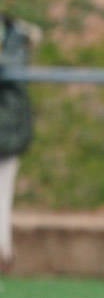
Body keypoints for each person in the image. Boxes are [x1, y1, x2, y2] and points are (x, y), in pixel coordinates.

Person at [0, 14, 39, 274]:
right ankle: (4, 251)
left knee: (4, 192)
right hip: (12, 129)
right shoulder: (18, 39)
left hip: (8, 130)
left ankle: (3, 252)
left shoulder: (15, 43)